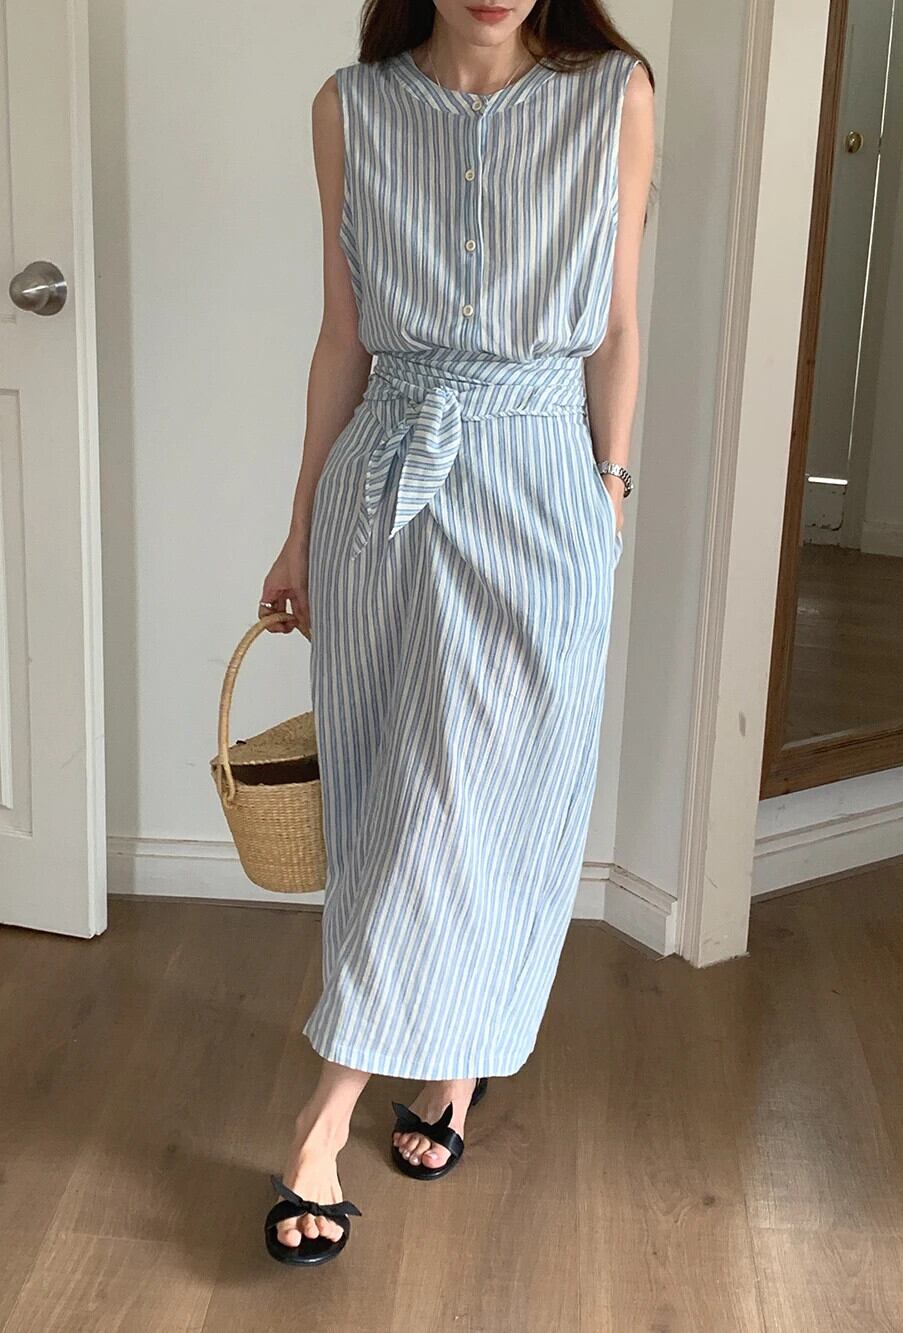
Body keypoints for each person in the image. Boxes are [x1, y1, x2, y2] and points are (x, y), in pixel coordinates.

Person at [259, 0, 655, 1265]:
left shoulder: (613, 96)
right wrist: (297, 528)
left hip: (543, 487)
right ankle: (436, 1069)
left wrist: (607, 490)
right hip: (387, 489)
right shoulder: (351, 109)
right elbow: (342, 337)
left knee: (491, 799)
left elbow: (616, 323)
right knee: (397, 801)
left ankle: (331, 1115)